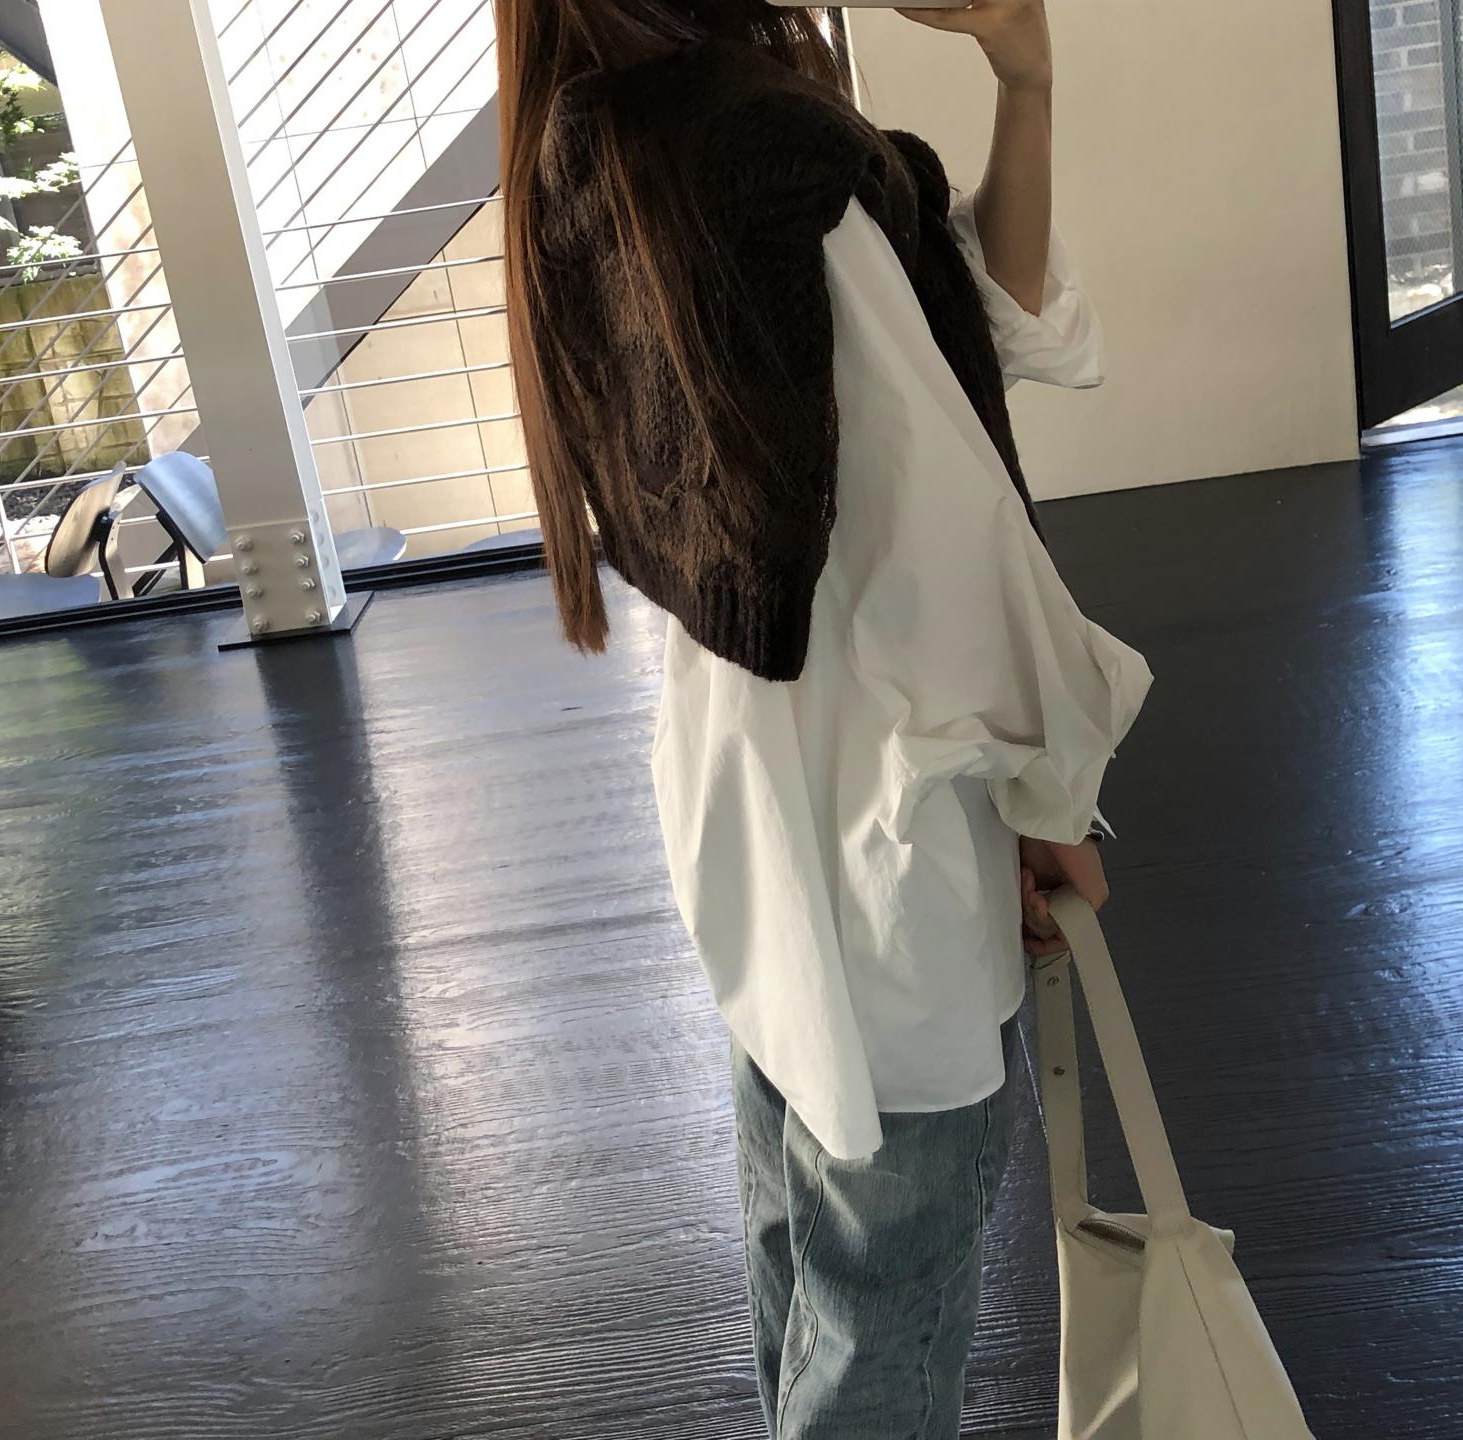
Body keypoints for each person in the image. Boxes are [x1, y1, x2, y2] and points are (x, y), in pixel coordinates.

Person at [493, 2, 1151, 1434]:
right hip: (884, 807)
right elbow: (937, 537)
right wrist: (1046, 795)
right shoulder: (753, 147)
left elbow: (968, 325)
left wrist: (1023, 75)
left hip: (759, 784)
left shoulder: (607, 131)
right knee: (883, 1301)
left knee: (811, 1247)